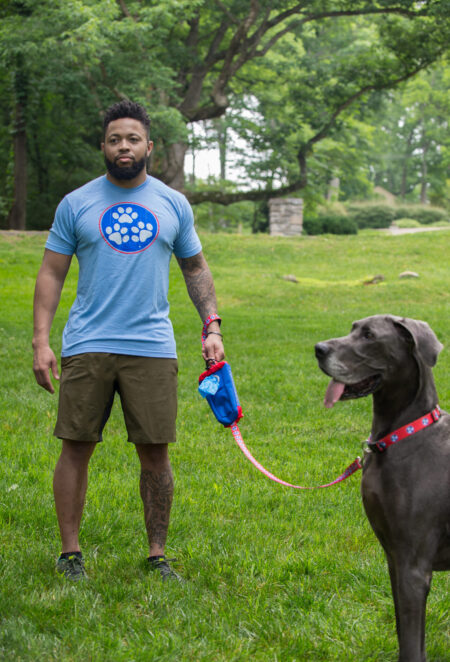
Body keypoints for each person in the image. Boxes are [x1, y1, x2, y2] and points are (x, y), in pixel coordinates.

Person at [32, 100, 224, 582]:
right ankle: (70, 553)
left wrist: (212, 326)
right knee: (76, 445)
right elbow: (52, 273)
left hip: (152, 347)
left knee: (155, 451)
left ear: (149, 147)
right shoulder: (76, 203)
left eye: (132, 139)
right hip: (88, 342)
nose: (124, 146)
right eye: (115, 139)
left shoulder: (172, 203)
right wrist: (41, 340)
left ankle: (157, 554)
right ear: (104, 146)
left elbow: (195, 267)